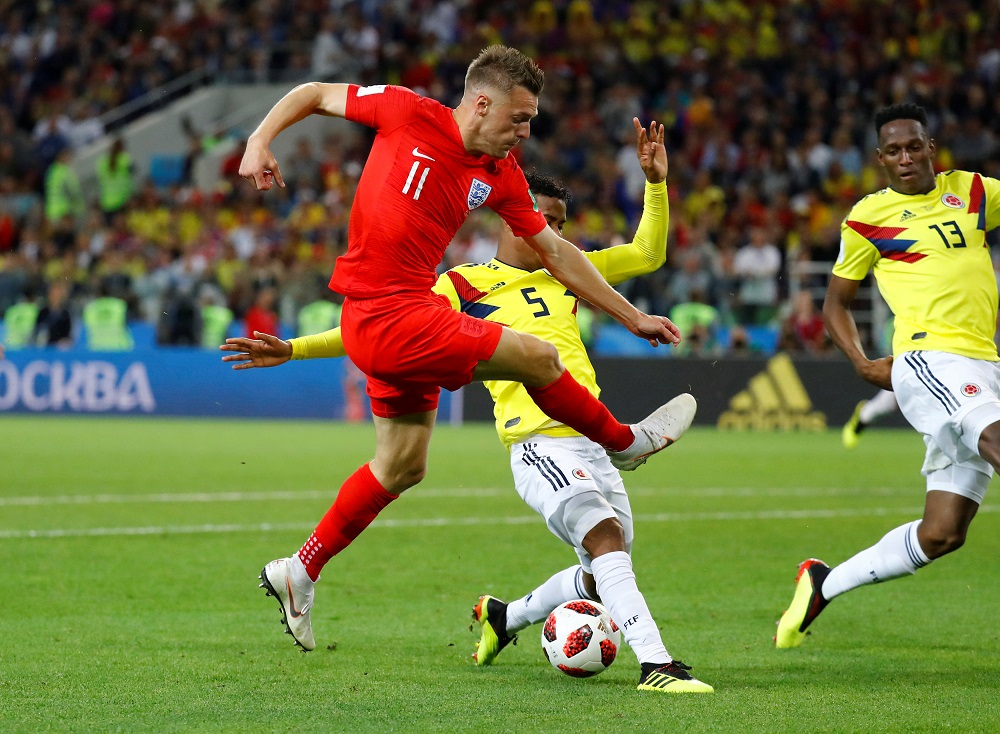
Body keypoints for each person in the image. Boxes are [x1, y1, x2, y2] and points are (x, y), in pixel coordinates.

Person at [230, 46, 694, 660]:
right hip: (386, 313)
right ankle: (624, 443)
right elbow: (314, 92)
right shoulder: (405, 113)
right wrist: (260, 139)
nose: (526, 132)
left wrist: (631, 315)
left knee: (401, 467)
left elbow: (557, 252)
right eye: (520, 118)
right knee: (539, 359)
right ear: (481, 103)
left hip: (399, 322)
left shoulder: (502, 174)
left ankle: (301, 569)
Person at [776, 103, 1000, 649]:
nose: (906, 158)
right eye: (894, 151)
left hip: (985, 363)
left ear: (931, 148)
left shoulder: (971, 191)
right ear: (881, 160)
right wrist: (859, 360)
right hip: (931, 358)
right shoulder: (867, 218)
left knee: (942, 533)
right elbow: (836, 304)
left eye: (914, 146)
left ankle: (824, 584)